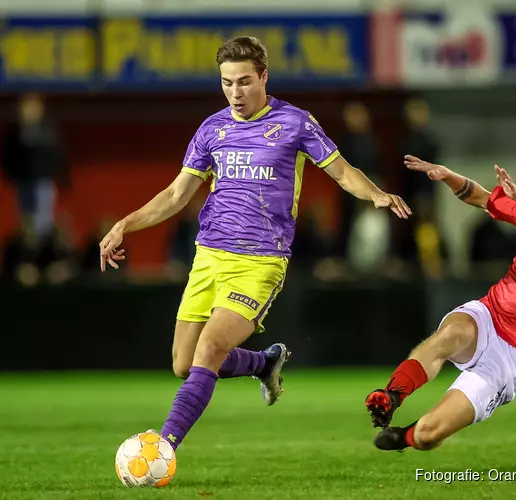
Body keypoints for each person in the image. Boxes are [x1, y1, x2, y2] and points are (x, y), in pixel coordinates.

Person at [98, 36, 411, 452]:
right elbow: (176, 196)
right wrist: (125, 224)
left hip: (260, 260)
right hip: (209, 255)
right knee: (184, 364)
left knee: (210, 348)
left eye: (244, 82)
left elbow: (341, 171)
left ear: (264, 77)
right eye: (227, 83)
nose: (235, 92)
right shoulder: (212, 129)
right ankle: (264, 362)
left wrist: (374, 194)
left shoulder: (296, 122)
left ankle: (163, 447)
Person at [365, 134, 516, 452]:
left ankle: (407, 437)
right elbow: (481, 198)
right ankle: (391, 395)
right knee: (450, 334)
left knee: (428, 434)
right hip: (492, 315)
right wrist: (449, 175)